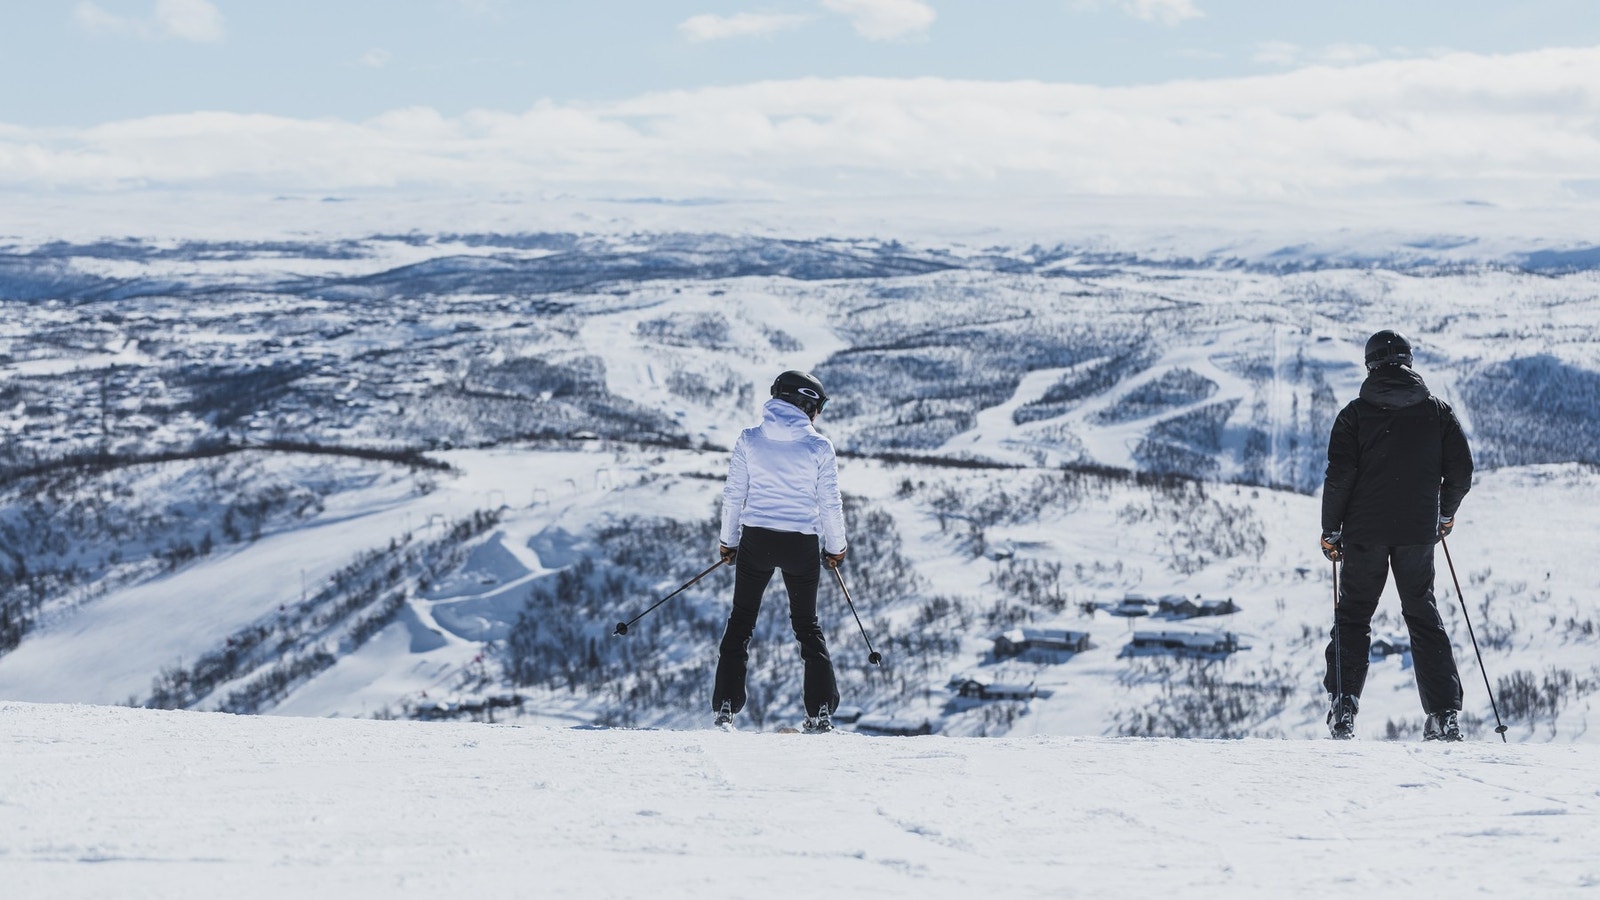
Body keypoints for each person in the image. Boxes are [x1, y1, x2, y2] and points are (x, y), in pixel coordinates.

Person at [1320, 330, 1473, 741]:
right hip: (1416, 533)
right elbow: (1461, 473)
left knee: (1353, 615)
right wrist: (1444, 515)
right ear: (1408, 362)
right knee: (1422, 615)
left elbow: (1339, 479)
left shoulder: (1353, 416)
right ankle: (1443, 713)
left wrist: (1330, 532)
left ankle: (1343, 706)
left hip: (1363, 534)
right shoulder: (1437, 413)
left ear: (1370, 365)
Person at [712, 370, 848, 733]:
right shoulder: (820, 448)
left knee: (741, 622)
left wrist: (729, 542)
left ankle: (726, 706)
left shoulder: (749, 440)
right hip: (801, 544)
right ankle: (820, 712)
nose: (817, 415)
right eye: (817, 407)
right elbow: (829, 505)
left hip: (757, 541)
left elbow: (733, 496)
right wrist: (836, 548)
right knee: (807, 626)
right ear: (805, 404)